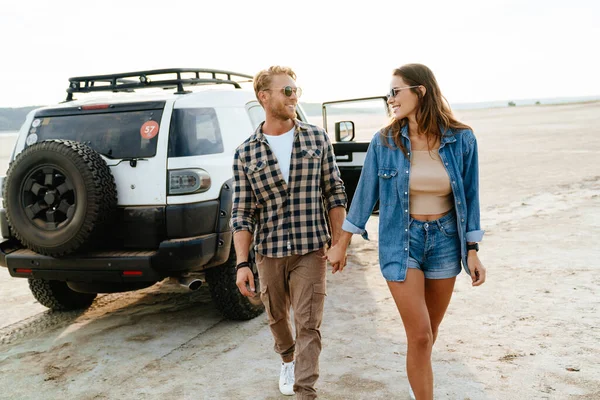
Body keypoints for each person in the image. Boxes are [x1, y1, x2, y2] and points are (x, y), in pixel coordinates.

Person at [326, 63, 486, 400]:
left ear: (420, 91)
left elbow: (471, 197)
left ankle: (419, 383)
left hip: (445, 240)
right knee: (420, 336)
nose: (390, 99)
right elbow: (364, 194)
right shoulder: (384, 141)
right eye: (389, 93)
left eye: (395, 91)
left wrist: (473, 249)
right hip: (402, 240)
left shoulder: (461, 138)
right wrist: (342, 243)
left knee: (430, 333)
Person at [231, 66, 347, 399]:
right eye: (286, 91)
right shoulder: (245, 153)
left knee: (308, 324)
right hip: (269, 252)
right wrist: (242, 264)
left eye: (296, 90)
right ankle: (286, 357)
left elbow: (334, 191)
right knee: (277, 316)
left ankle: (304, 391)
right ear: (263, 96)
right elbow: (242, 213)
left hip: (311, 249)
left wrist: (339, 242)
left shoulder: (316, 138)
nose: (293, 95)